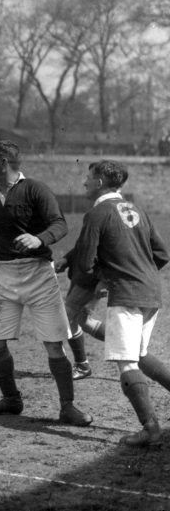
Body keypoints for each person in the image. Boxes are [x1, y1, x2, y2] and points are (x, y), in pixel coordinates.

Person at [0, 140, 91, 427]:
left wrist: (39, 239)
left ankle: (68, 407)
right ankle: (11, 400)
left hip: (40, 275)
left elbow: (60, 224)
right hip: (5, 277)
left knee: (54, 346)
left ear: (3, 163)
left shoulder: (36, 189)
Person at [63, 160, 170, 446]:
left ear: (99, 182)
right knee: (141, 354)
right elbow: (162, 254)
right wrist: (137, 273)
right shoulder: (137, 209)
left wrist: (105, 277)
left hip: (126, 294)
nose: (85, 183)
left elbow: (85, 264)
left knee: (126, 363)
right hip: (151, 292)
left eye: (88, 178)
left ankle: (150, 428)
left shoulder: (97, 213)